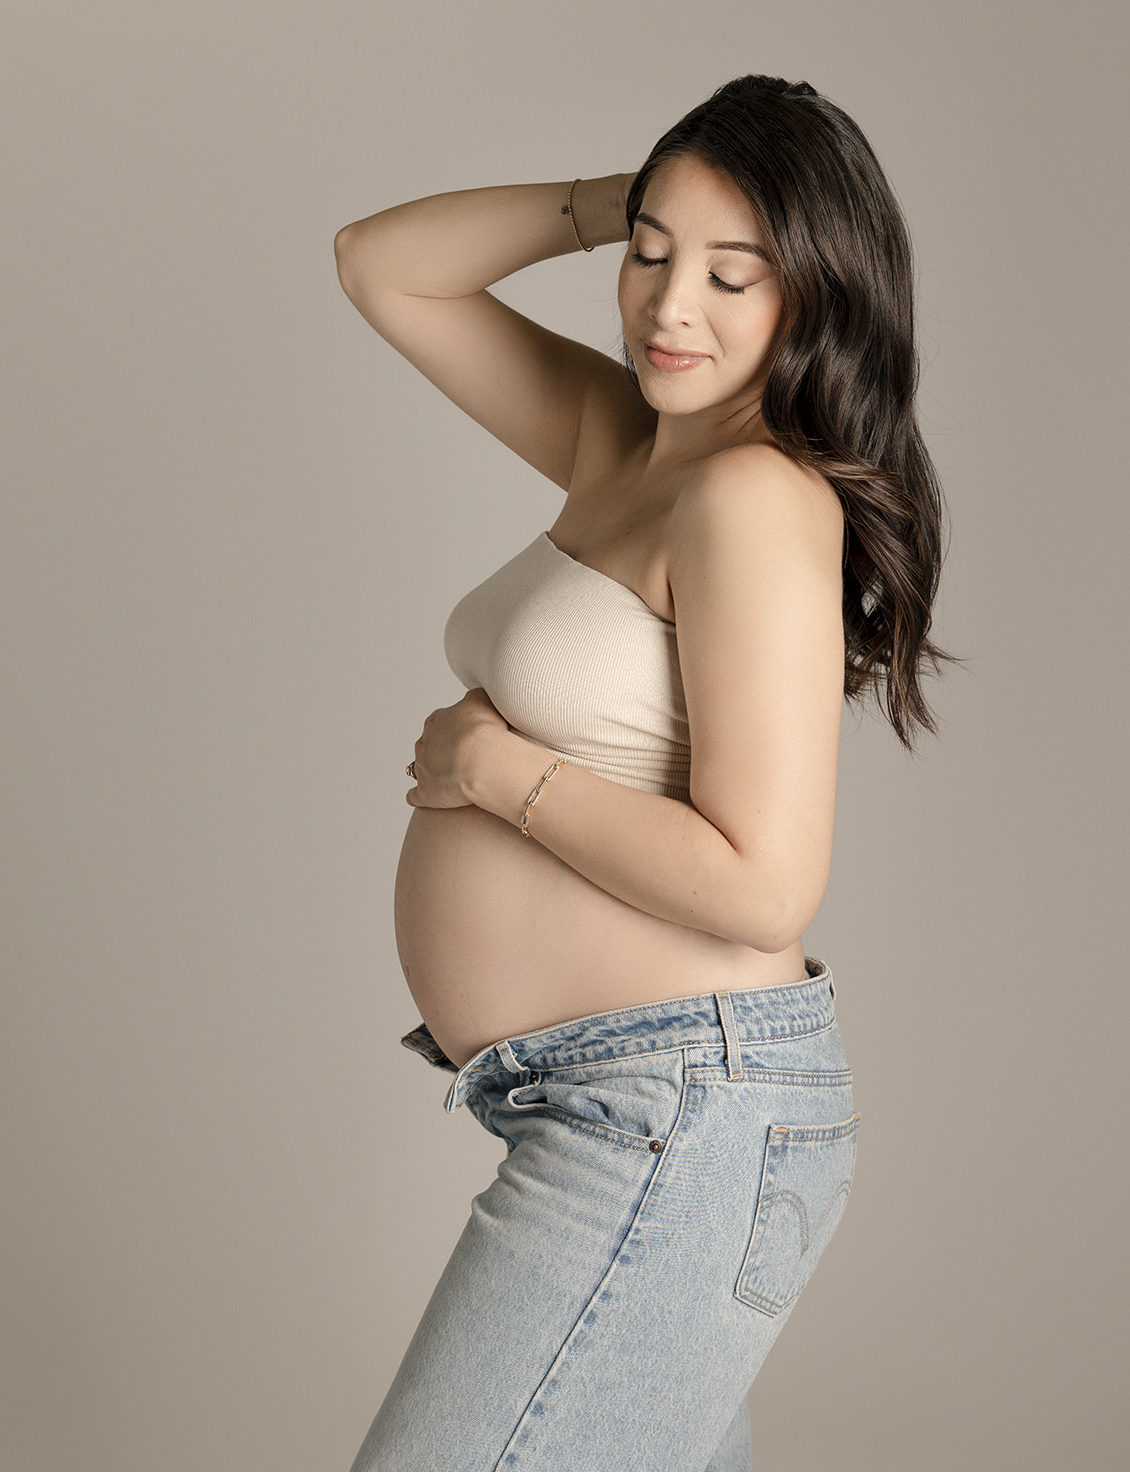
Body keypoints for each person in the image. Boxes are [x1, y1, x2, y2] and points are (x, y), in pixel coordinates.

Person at [333, 74, 950, 1471]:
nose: (673, 310)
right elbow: (382, 267)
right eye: (651, 257)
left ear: (817, 297)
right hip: (621, 1098)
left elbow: (766, 879)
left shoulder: (750, 494)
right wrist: (658, 190)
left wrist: (500, 777)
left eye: (735, 276)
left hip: (677, 1112)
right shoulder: (636, 445)